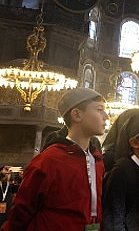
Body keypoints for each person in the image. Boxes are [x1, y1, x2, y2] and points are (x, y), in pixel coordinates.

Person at [1, 88, 108, 231]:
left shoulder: (97, 159)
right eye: (99, 109)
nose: (106, 116)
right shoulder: (49, 160)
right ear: (76, 114)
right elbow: (22, 211)